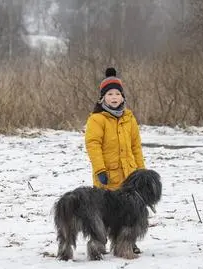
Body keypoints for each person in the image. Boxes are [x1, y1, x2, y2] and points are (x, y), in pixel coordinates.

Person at [84, 67, 145, 254]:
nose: (114, 97)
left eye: (117, 93)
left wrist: (142, 171)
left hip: (130, 176)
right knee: (108, 213)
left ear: (122, 97)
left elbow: (136, 146)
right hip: (108, 175)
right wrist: (100, 170)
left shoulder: (129, 118)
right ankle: (100, 242)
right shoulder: (97, 119)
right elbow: (93, 145)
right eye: (109, 94)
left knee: (129, 212)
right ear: (102, 98)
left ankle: (127, 243)